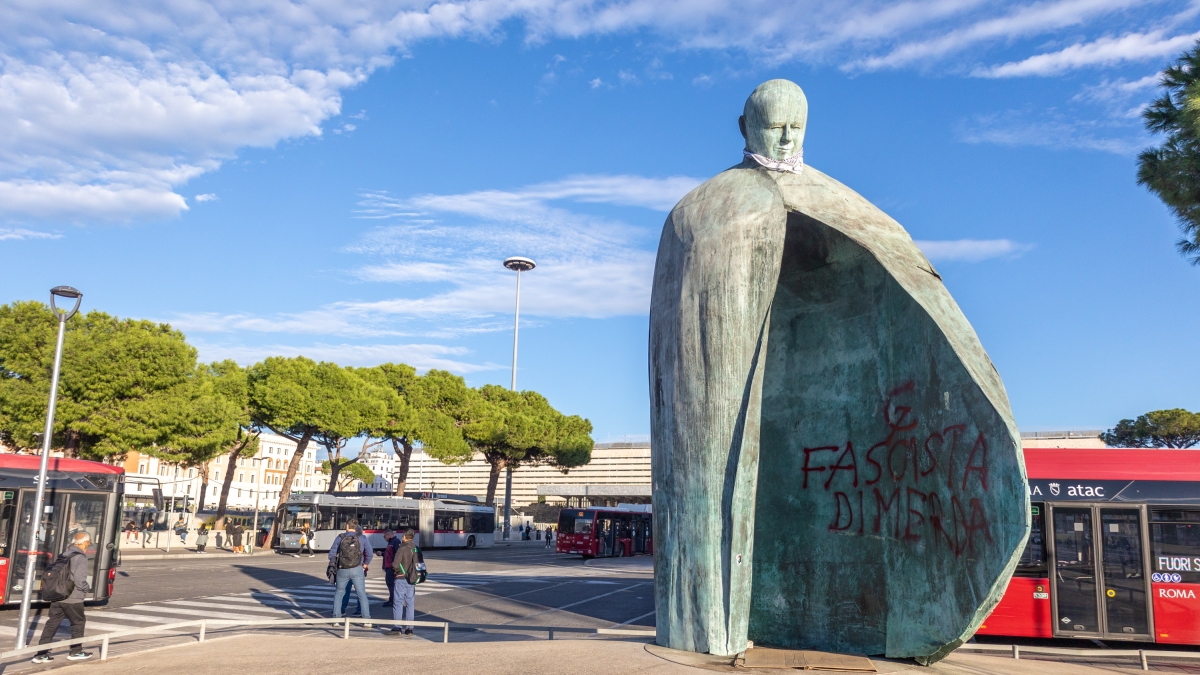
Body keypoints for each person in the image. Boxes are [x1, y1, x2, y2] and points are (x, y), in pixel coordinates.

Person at [31, 531, 94, 663]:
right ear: (84, 542)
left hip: (58, 595)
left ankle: (41, 654)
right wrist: (85, 589)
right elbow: (79, 580)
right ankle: (76, 651)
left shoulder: (65, 554)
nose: (88, 545)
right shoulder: (80, 557)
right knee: (78, 623)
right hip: (73, 597)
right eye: (88, 542)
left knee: (52, 623)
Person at [329, 519, 373, 628]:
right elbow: (370, 553)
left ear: (347, 526)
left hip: (342, 569)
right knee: (362, 594)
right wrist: (365, 564)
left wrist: (334, 565)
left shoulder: (340, 537)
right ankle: (366, 620)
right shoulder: (362, 538)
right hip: (357, 569)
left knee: (339, 593)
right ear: (356, 527)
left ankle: (336, 619)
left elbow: (332, 554)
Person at [388, 529, 421, 637]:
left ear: (405, 537)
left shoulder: (402, 548)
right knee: (410, 604)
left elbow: (395, 564)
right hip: (412, 579)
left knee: (398, 603)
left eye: (402, 536)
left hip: (401, 578)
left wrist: (396, 572)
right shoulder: (416, 548)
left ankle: (397, 627)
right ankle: (409, 628)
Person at [381, 529, 401, 608]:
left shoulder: (395, 542)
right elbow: (389, 554)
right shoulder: (391, 542)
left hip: (392, 567)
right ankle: (392, 599)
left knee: (391, 584)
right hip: (388, 567)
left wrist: (395, 566)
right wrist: (382, 554)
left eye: (384, 536)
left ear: (388, 535)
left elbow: (398, 555)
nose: (384, 538)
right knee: (390, 584)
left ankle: (393, 600)